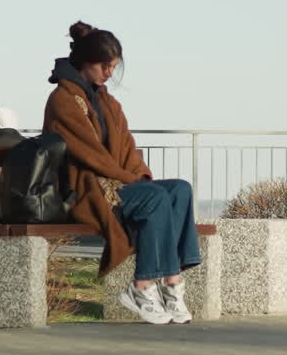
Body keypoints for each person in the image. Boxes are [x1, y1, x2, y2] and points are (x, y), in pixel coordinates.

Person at [43, 21, 201, 325]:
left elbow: (127, 147)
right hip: (85, 190)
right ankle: (141, 286)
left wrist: (138, 175)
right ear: (86, 62)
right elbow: (89, 154)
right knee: (155, 198)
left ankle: (171, 282)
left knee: (180, 189)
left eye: (113, 66)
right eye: (105, 66)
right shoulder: (63, 100)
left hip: (115, 185)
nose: (109, 73)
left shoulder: (108, 102)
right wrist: (132, 181)